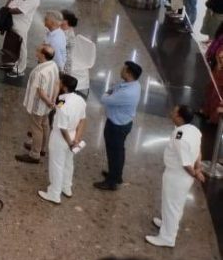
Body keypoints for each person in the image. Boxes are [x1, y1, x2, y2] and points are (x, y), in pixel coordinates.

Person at [145, 105, 204, 247]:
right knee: (174, 204)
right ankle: (167, 225)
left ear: (180, 117)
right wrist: (199, 167)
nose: (171, 113)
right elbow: (198, 150)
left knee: (172, 206)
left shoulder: (180, 138)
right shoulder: (194, 130)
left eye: (174, 112)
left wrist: (196, 173)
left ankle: (167, 238)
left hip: (177, 176)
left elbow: (186, 164)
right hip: (182, 177)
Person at [37, 74, 86, 204]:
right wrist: (76, 139)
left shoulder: (64, 105)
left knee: (56, 165)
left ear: (64, 87)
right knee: (69, 163)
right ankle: (66, 187)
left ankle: (54, 193)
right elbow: (82, 120)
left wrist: (70, 143)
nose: (57, 84)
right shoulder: (79, 100)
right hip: (73, 135)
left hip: (60, 137)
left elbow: (62, 128)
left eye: (59, 83)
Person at [95, 60, 143, 191]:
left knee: (114, 153)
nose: (121, 70)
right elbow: (113, 89)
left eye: (123, 69)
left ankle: (111, 182)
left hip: (116, 126)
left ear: (128, 73)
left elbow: (104, 98)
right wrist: (111, 91)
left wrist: (108, 92)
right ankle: (116, 175)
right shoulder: (133, 84)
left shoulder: (127, 93)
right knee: (118, 151)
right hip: (122, 123)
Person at [15, 45, 59, 165]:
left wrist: (49, 102)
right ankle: (42, 149)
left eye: (38, 51)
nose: (36, 52)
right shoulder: (53, 65)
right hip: (47, 105)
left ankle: (35, 154)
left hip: (38, 105)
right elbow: (56, 83)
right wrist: (53, 100)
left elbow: (40, 92)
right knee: (45, 125)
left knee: (36, 128)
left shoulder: (40, 72)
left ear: (43, 55)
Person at [5, 0, 40, 77]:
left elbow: (20, 10)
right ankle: (12, 61)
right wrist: (6, 8)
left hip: (21, 25)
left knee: (21, 46)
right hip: (11, 21)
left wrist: (6, 11)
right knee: (11, 43)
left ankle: (20, 69)